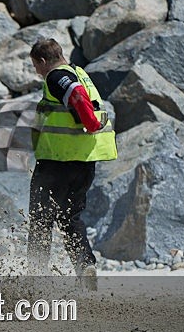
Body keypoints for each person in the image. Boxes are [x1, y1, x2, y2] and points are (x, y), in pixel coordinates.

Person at [27, 38, 117, 279]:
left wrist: (89, 121)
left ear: (44, 61)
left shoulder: (57, 76)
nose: (37, 71)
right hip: (83, 162)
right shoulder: (80, 72)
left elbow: (76, 95)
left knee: (40, 217)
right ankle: (85, 266)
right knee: (69, 217)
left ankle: (36, 275)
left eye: (36, 66)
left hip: (57, 163)